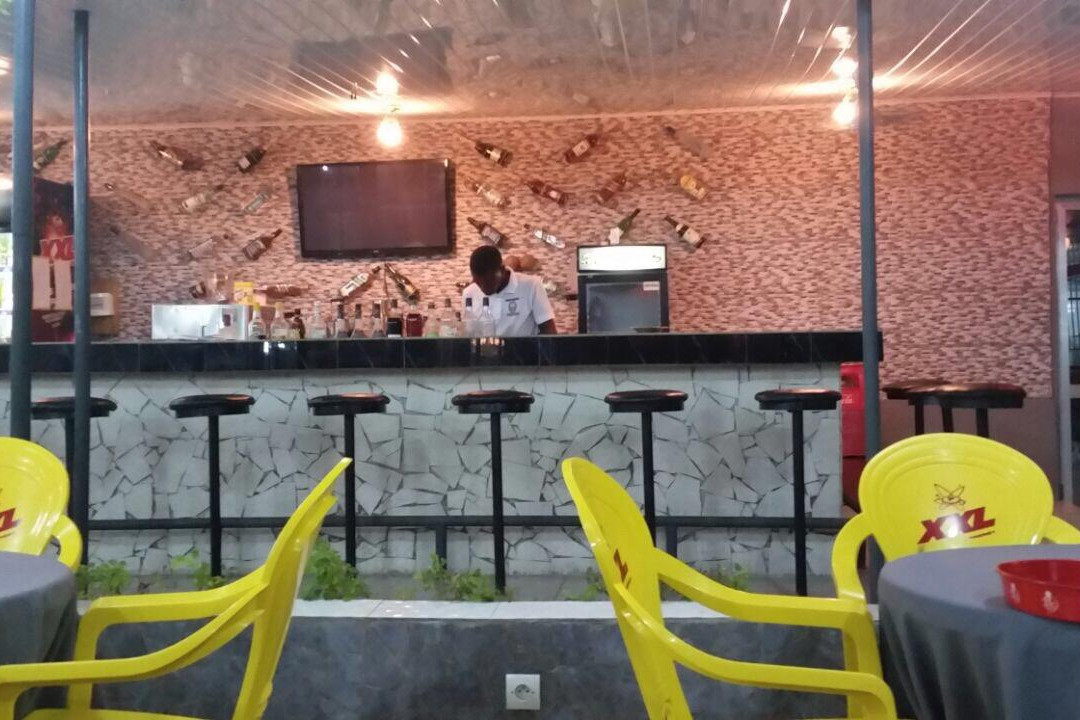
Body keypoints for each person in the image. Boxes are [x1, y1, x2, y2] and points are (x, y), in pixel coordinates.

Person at [462, 246, 556, 335]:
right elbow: (467, 334)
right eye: (477, 282)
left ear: (502, 270)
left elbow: (549, 333)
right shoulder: (469, 293)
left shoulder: (531, 286)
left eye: (488, 282)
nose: (483, 288)